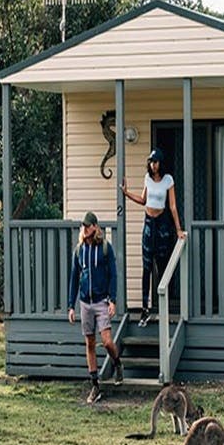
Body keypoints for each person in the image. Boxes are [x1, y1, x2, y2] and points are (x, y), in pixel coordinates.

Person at [120, 147, 186, 327]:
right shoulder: (147, 178)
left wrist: (178, 229)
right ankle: (144, 310)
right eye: (150, 162)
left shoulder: (168, 180)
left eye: (155, 162)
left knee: (163, 267)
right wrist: (126, 194)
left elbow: (172, 206)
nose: (153, 165)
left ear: (160, 163)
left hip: (163, 223)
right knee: (146, 267)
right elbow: (143, 200)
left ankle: (165, 310)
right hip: (149, 223)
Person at [68, 211, 123, 404]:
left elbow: (113, 275)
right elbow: (74, 278)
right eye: (83, 226)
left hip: (101, 301)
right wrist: (71, 306)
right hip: (85, 302)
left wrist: (113, 300)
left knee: (107, 342)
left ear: (95, 227)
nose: (85, 229)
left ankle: (117, 363)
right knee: (90, 344)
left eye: (88, 226)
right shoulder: (79, 250)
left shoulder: (105, 249)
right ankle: (95, 385)